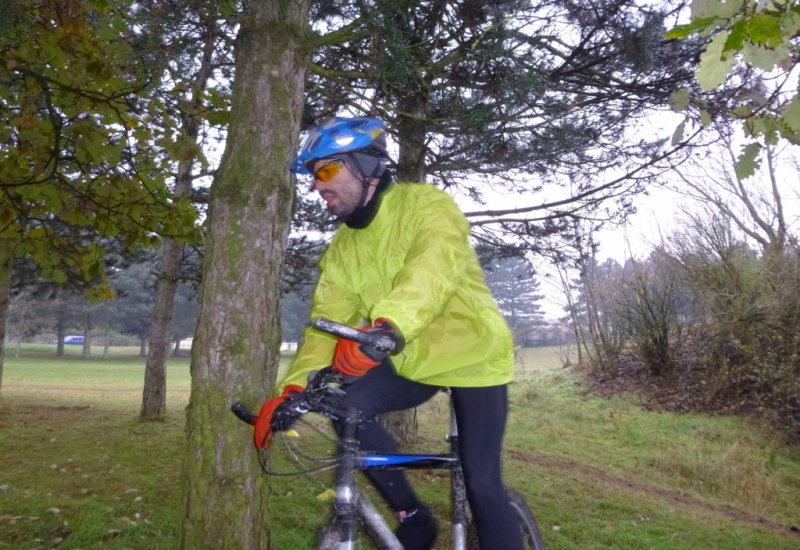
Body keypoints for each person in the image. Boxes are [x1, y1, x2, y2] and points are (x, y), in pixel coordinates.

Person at [253, 117, 523, 550]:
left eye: (325, 170)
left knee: (481, 481)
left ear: (365, 165)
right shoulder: (343, 248)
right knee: (345, 406)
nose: (317, 186)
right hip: (409, 359)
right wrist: (293, 390)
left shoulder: (428, 206)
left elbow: (431, 269)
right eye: (312, 176)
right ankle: (414, 517)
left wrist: (389, 326)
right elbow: (326, 325)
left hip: (473, 354)